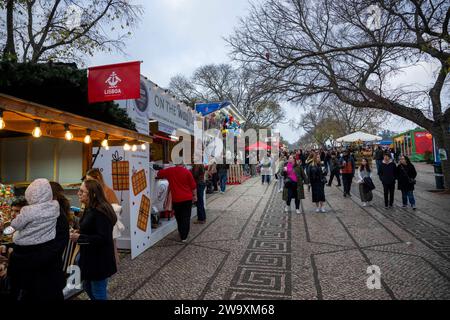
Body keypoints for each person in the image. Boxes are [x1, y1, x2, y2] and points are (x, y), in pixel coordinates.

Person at [7, 179, 65, 301]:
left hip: (42, 278)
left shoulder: (55, 217)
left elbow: (53, 248)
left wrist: (19, 255)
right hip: (40, 276)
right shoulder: (45, 215)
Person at [70, 179, 117, 300]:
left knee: (98, 292)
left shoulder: (100, 211)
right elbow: (92, 228)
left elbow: (102, 239)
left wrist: (80, 238)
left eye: (82, 191)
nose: (78, 193)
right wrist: (80, 232)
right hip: (91, 259)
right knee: (87, 287)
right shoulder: (90, 207)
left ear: (93, 194)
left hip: (99, 261)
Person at [86, 168, 122, 268]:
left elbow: (117, 208)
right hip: (100, 223)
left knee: (112, 246)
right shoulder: (94, 191)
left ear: (97, 178)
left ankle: (114, 264)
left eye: (89, 180)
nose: (87, 182)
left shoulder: (107, 191)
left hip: (108, 223)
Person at [157, 164, 197, 242]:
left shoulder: (170, 171)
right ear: (182, 164)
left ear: (175, 163)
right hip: (187, 198)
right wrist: (195, 195)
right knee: (186, 217)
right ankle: (184, 236)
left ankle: (181, 232)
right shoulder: (187, 172)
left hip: (176, 199)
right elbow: (193, 186)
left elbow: (159, 173)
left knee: (178, 217)